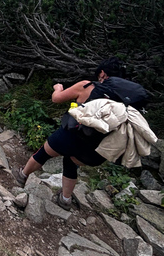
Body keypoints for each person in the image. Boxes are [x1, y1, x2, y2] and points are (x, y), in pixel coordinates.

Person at [12, 57, 127, 209]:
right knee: (71, 162)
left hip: (71, 137)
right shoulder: (123, 100)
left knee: (44, 153)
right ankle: (65, 199)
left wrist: (58, 88)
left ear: (103, 73)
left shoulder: (86, 86)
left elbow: (56, 99)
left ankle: (22, 175)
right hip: (96, 151)